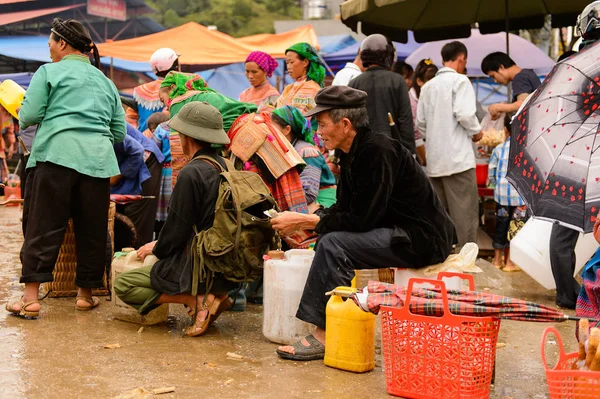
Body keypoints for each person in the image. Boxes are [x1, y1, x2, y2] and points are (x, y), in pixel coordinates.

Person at [270, 86, 455, 360]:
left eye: (322, 124)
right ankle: (328, 321)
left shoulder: (377, 151)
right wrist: (313, 223)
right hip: (397, 230)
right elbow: (346, 209)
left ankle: (323, 334)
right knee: (328, 238)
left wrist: (303, 220)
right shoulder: (352, 153)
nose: (318, 132)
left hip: (420, 238)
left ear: (345, 124)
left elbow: (363, 219)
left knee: (334, 244)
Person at [5, 18, 126, 317]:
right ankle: (85, 295)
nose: (48, 49)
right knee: (92, 230)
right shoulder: (106, 82)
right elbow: (119, 132)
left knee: (42, 227)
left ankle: (30, 300)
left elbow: (29, 115)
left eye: (50, 43)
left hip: (55, 157)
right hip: (97, 163)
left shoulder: (48, 72)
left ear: (62, 43)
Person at [114, 102, 236, 337]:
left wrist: (155, 247)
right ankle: (213, 296)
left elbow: (175, 232)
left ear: (187, 137)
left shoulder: (192, 172)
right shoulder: (225, 164)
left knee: (124, 285)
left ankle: (198, 300)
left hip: (196, 264)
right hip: (221, 263)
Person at [416, 41, 483, 249]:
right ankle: (466, 264)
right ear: (461, 59)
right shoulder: (460, 82)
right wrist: (477, 132)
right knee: (464, 216)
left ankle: (444, 258)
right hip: (458, 160)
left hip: (436, 161)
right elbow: (464, 114)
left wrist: (436, 138)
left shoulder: (427, 87)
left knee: (442, 216)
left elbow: (421, 124)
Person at [159, 72, 257, 188]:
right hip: (250, 122)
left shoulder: (177, 102)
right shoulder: (201, 95)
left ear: (173, 88)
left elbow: (178, 152)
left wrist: (178, 183)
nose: (165, 106)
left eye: (162, 99)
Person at [349, 34, 415, 155]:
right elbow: (405, 119)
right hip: (392, 148)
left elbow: (348, 121)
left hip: (363, 149)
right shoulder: (397, 80)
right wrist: (410, 151)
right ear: (389, 56)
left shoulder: (354, 83)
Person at [271, 105, 337, 208]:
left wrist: (276, 201)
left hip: (322, 201)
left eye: (272, 130)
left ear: (287, 129)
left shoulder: (307, 152)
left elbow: (309, 193)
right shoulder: (286, 150)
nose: (269, 134)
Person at [115, 124, 165, 247]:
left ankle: (136, 260)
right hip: (124, 161)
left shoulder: (99, 128)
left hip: (145, 160)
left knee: (136, 223)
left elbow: (137, 151)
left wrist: (116, 176)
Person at [487, 114, 526, 272]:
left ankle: (497, 260)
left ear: (505, 130)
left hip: (502, 197)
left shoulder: (498, 149)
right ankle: (509, 262)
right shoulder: (524, 151)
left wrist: (498, 186)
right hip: (519, 200)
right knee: (514, 229)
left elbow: (491, 173)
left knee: (501, 227)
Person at [125, 48, 178, 132]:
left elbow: (130, 118)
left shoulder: (140, 90)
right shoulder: (176, 89)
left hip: (141, 140)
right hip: (165, 140)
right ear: (175, 66)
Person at [481, 52, 541, 120]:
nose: (495, 80)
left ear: (501, 67)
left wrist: (498, 107)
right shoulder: (528, 74)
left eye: (493, 76)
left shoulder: (520, 77)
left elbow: (523, 104)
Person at [276, 42, 325, 116]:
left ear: (305, 62)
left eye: (292, 62)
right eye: (287, 62)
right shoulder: (289, 88)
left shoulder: (311, 88)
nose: (288, 67)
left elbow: (297, 118)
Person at [408, 59, 438, 166]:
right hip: (418, 150)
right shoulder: (411, 101)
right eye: (429, 81)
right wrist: (426, 160)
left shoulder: (433, 95)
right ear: (419, 81)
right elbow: (416, 134)